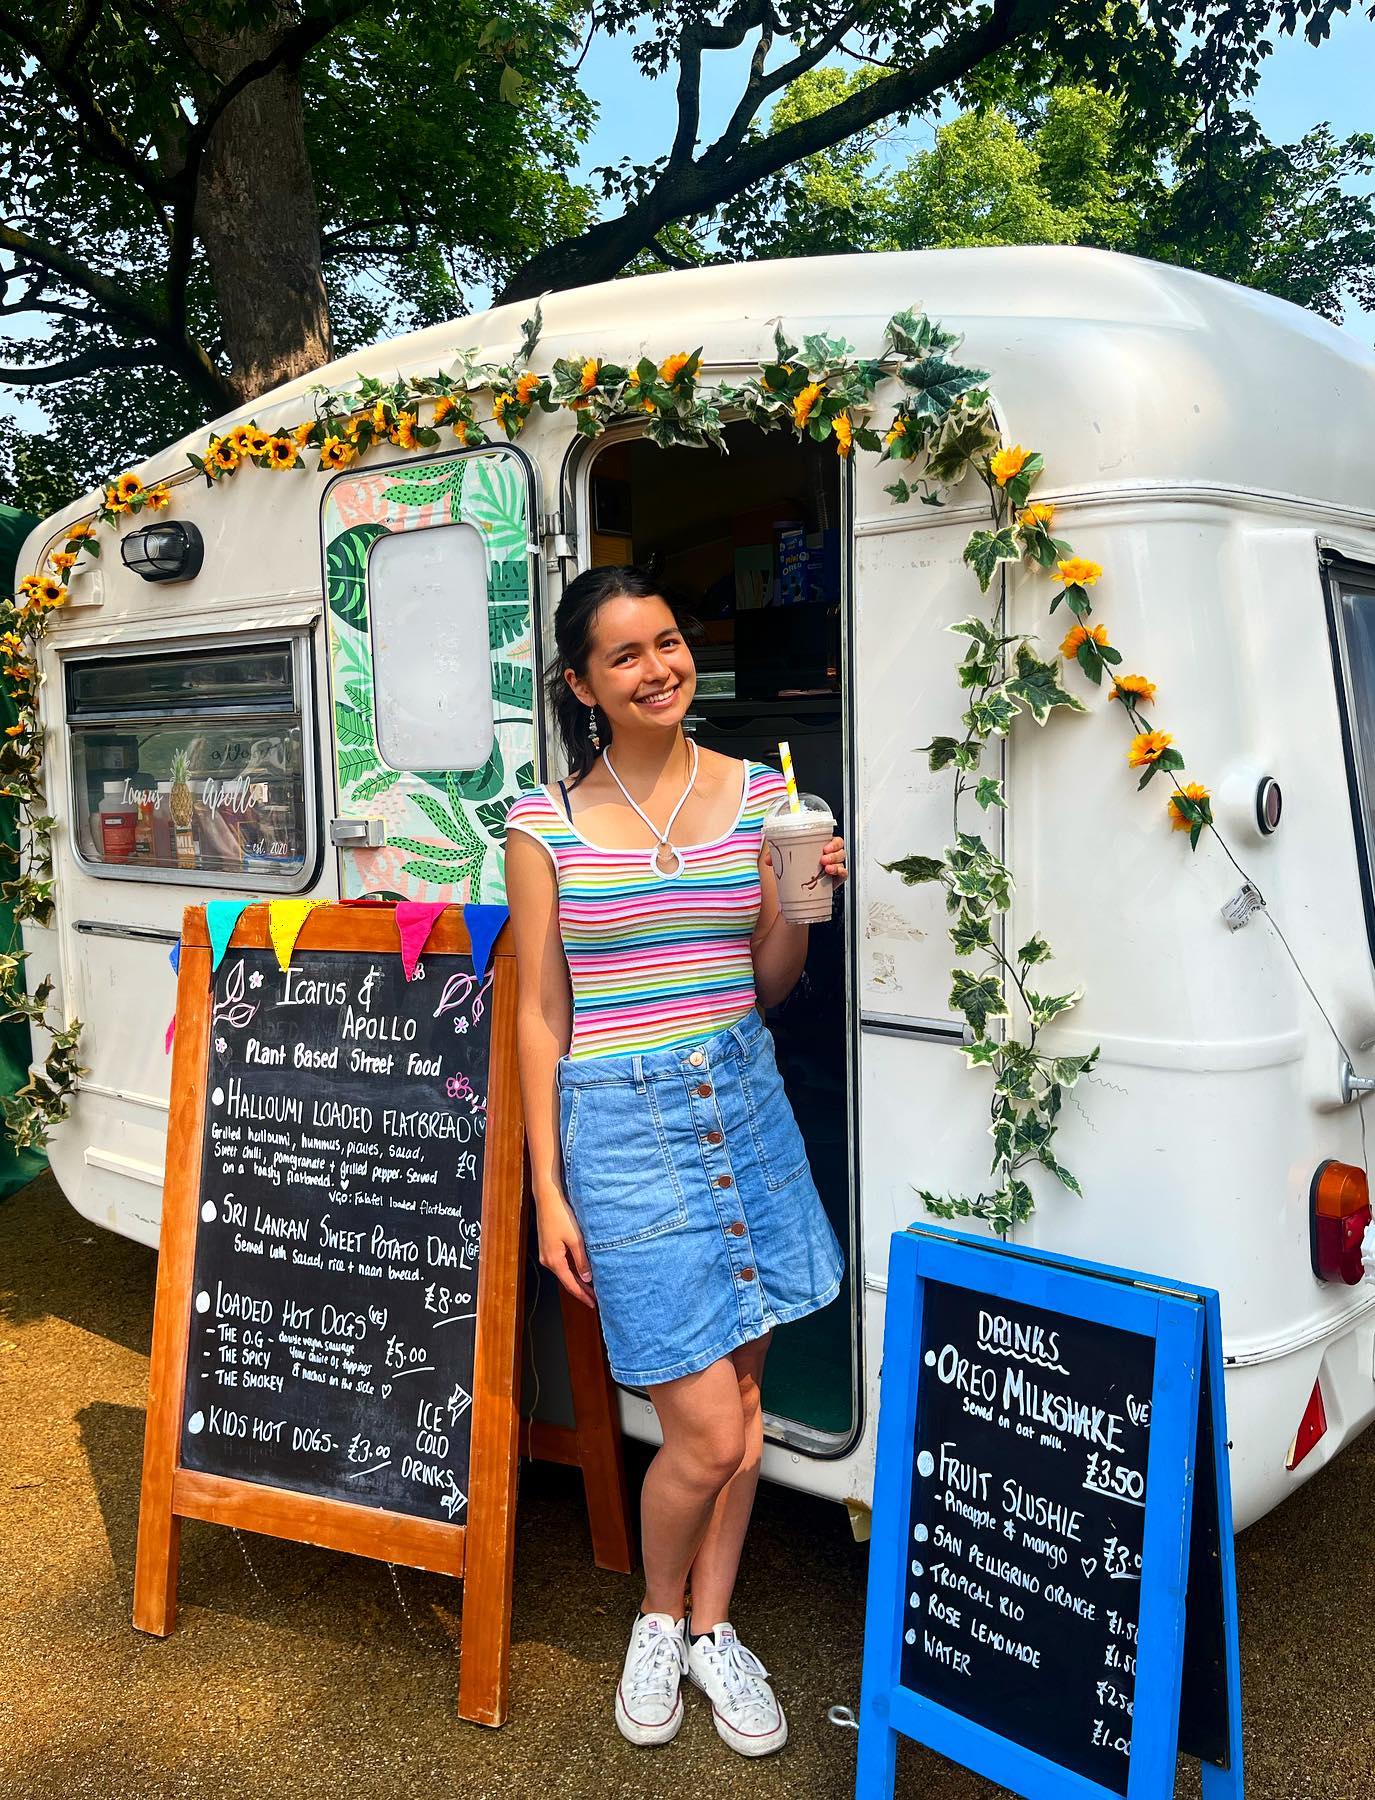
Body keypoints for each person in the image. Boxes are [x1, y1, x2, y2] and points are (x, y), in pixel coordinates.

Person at [505, 563, 847, 1759]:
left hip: (743, 1103)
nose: (658, 668)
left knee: (746, 1407)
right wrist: (549, 1189)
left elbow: (767, 984)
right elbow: (541, 1014)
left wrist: (798, 909)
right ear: (582, 684)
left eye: (669, 642)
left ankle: (714, 1628)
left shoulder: (760, 795)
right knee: (700, 1427)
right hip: (620, 1130)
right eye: (626, 656)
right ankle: (657, 1617)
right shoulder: (542, 823)